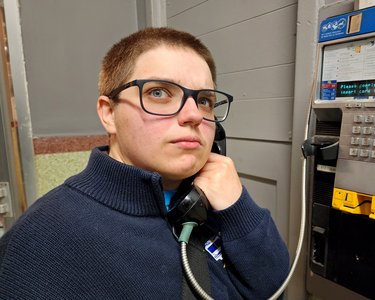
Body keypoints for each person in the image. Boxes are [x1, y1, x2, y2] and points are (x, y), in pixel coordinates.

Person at [0, 27, 289, 299]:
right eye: (159, 93)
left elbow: (273, 287)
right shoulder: (42, 240)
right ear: (109, 113)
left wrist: (238, 208)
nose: (194, 115)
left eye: (204, 100)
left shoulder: (212, 200)